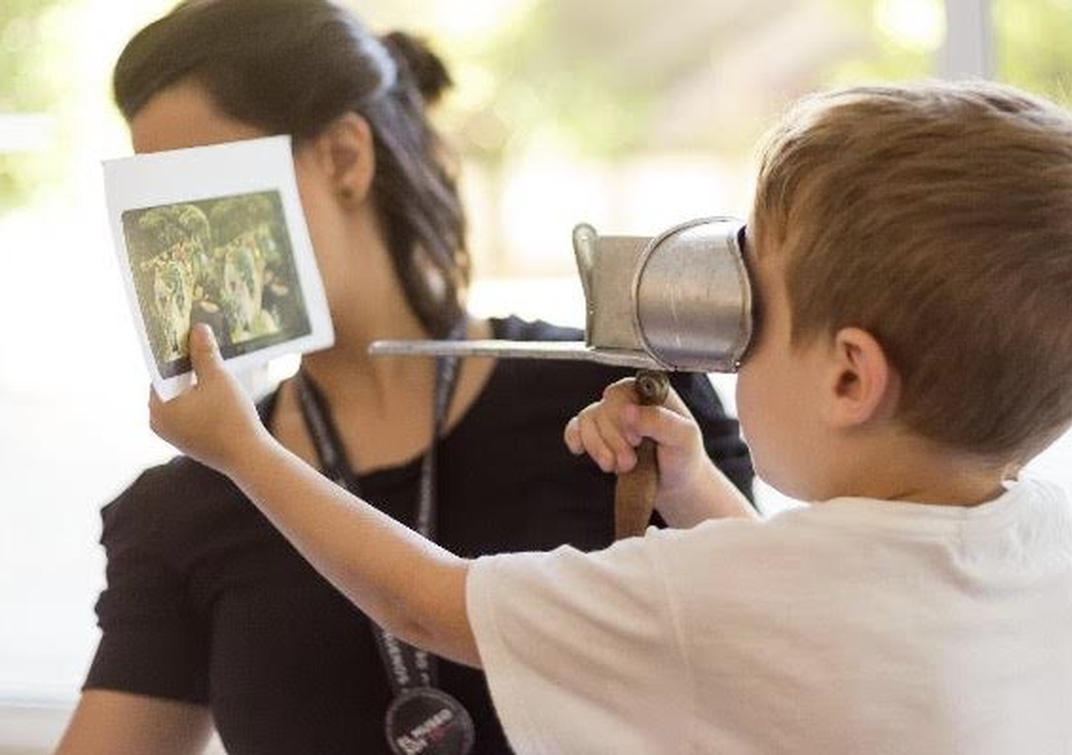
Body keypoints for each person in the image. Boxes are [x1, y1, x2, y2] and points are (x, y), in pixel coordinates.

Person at [143, 80, 1072, 754]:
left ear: (850, 378)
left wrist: (243, 450)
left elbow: (428, 608)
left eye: (753, 312)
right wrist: (694, 484)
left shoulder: (720, 592)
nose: (729, 343)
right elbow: (807, 620)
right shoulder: (1037, 540)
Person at [55, 2, 752, 754]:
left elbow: (775, 649)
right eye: (145, 203)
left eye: (193, 187)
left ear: (344, 158)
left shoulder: (628, 412)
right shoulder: (188, 505)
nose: (168, 240)